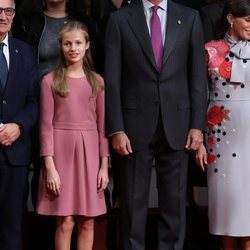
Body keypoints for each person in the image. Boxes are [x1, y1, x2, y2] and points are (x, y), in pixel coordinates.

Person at [104, 0, 208, 249]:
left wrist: (197, 125)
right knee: (133, 201)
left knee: (175, 202)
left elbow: (197, 75)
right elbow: (112, 79)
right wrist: (116, 128)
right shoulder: (120, 19)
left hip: (179, 125)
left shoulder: (190, 17)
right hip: (132, 126)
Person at [36, 20, 109, 250]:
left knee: (87, 221)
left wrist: (104, 167)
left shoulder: (97, 82)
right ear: (61, 46)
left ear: (87, 45)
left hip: (89, 157)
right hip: (61, 157)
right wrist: (50, 168)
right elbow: (45, 127)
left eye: (78, 43)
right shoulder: (50, 81)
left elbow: (102, 127)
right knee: (65, 221)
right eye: (68, 43)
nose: (73, 48)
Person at [196, 0, 250, 249]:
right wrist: (198, 141)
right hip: (220, 136)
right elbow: (199, 95)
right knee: (225, 206)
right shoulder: (209, 50)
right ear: (231, 19)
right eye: (248, 20)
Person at [0, 0, 39, 249]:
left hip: (16, 153)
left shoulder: (24, 51)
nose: (2, 16)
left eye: (8, 11)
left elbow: (35, 100)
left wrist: (20, 126)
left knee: (12, 227)